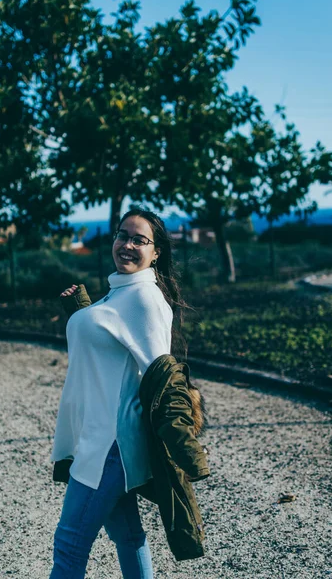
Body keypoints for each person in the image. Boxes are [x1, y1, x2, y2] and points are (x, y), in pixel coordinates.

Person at [49, 207, 202, 578]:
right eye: (122, 235)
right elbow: (112, 353)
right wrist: (83, 311)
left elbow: (161, 378)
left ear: (156, 252)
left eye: (139, 239)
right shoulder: (119, 293)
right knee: (128, 535)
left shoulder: (144, 298)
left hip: (109, 446)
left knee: (69, 545)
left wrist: (185, 446)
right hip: (99, 440)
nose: (127, 245)